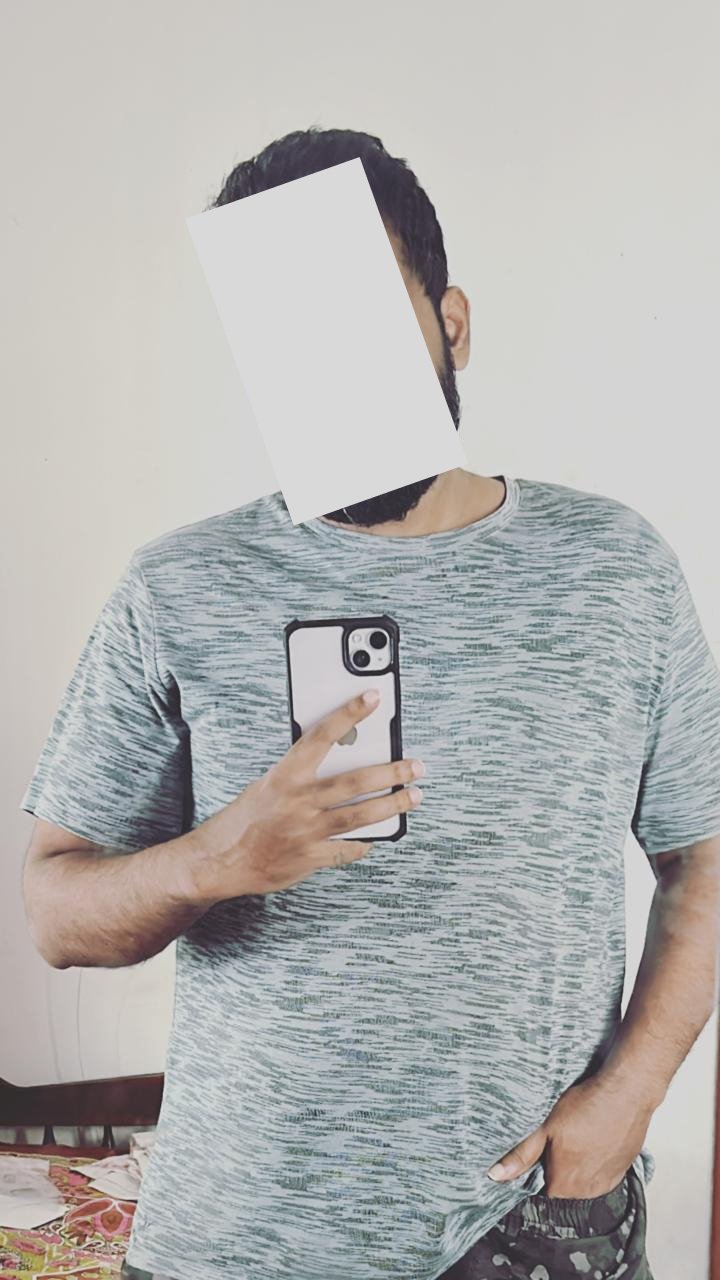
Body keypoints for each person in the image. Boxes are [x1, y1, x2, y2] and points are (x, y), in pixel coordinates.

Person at [20, 128, 720, 1280]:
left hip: (527, 1224)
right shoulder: (178, 586)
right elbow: (55, 908)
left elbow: (703, 855)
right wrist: (213, 859)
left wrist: (629, 1098)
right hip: (236, 1244)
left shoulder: (614, 569)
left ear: (453, 322)